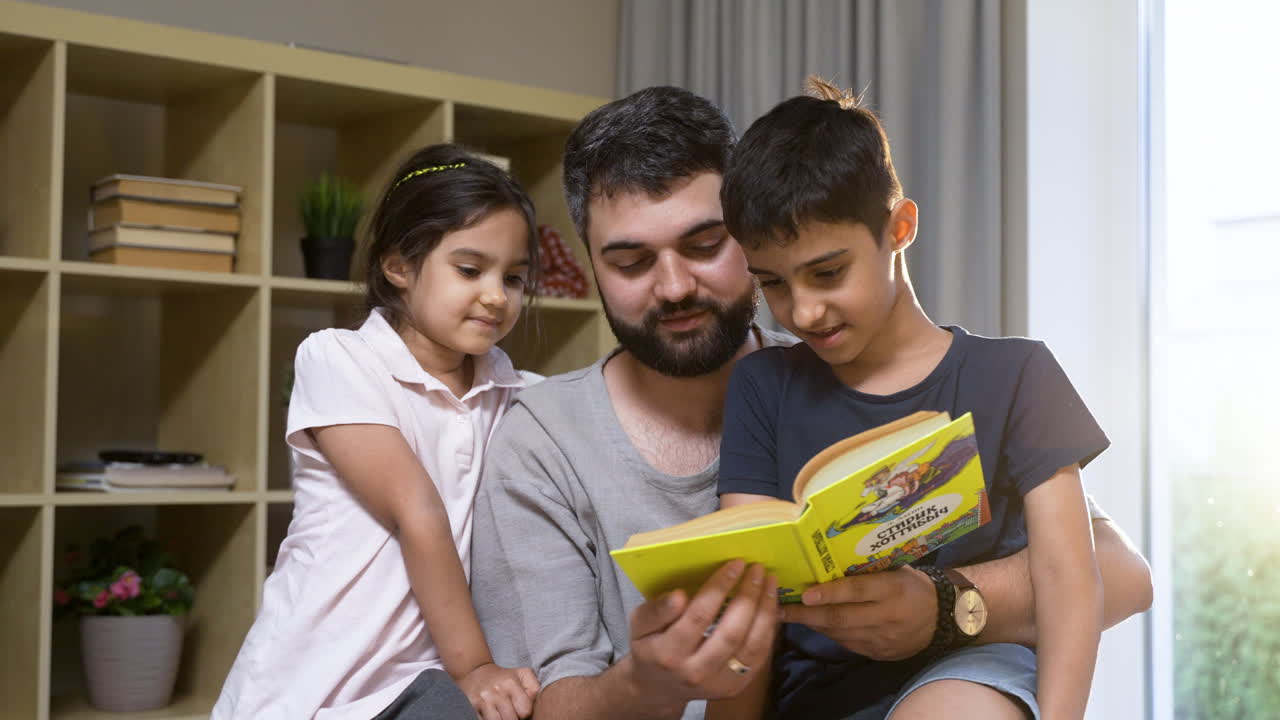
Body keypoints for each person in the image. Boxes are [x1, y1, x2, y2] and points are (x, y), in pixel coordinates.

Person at [469, 86, 1153, 720]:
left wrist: (943, 605)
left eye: (705, 246)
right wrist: (649, 681)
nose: (674, 287)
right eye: (631, 262)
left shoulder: (893, 362)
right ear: (590, 262)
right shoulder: (549, 442)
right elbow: (553, 700)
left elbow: (1115, 573)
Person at [714, 76, 1111, 719]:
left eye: (828, 273)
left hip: (970, 669)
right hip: (816, 692)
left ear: (899, 228)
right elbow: (750, 612)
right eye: (774, 285)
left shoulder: (1018, 374)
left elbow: (1070, 581)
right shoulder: (763, 386)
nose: (803, 311)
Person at [213, 145, 540, 720]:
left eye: (513, 277)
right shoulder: (341, 358)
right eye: (470, 270)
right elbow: (417, 510)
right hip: (311, 686)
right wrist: (474, 668)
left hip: (418, 685)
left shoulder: (514, 392)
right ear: (399, 267)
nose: (496, 295)